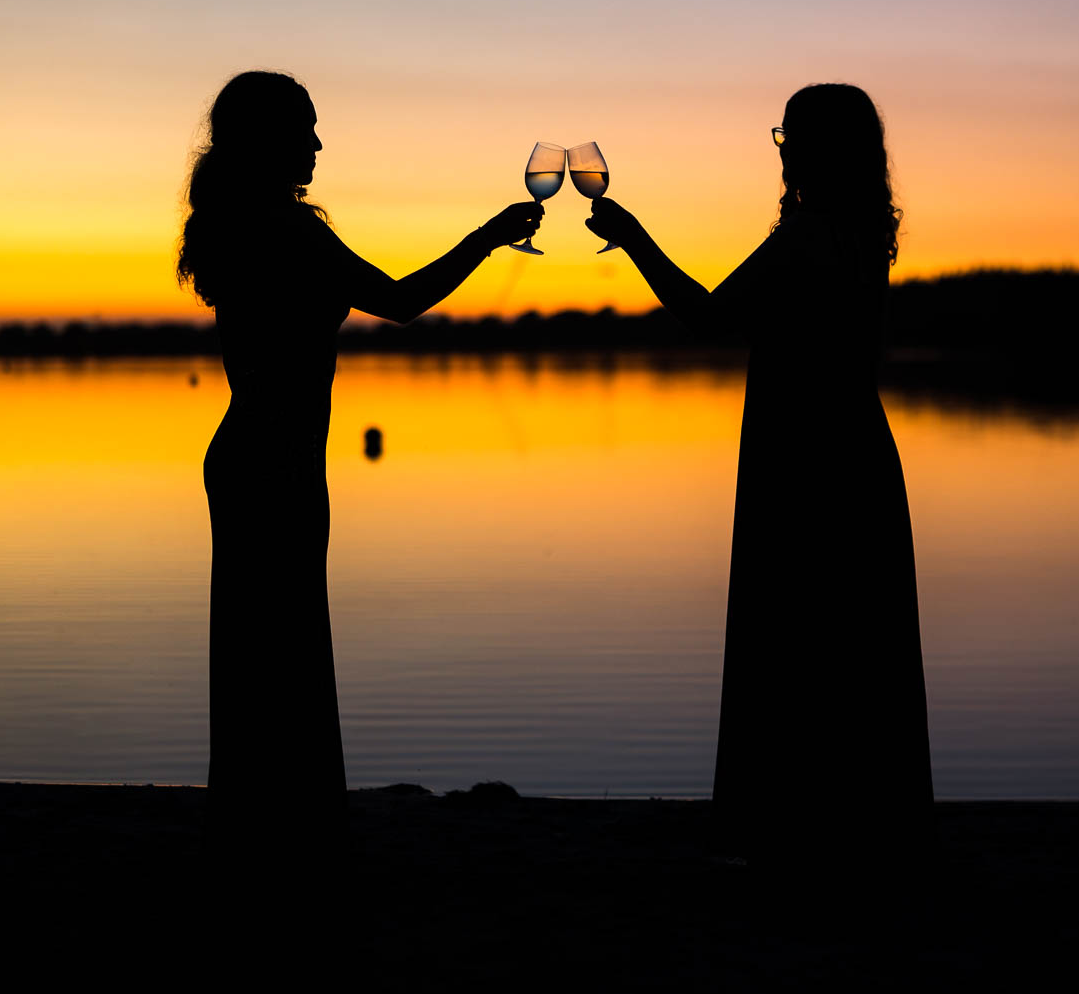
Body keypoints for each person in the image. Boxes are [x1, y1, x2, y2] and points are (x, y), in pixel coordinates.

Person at [175, 70, 541, 870]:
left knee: (258, 652)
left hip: (250, 454)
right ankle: (287, 840)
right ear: (268, 139)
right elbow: (401, 300)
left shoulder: (243, 221)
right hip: (276, 462)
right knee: (284, 646)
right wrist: (488, 235)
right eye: (303, 129)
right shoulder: (289, 229)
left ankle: (254, 832)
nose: (316, 143)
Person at [585, 83, 933, 867]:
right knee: (855, 649)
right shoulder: (864, 231)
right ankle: (867, 830)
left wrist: (636, 237)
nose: (780, 150)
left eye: (789, 137)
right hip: (859, 451)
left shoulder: (808, 233)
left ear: (812, 148)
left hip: (801, 457)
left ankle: (789, 835)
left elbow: (708, 316)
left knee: (793, 640)